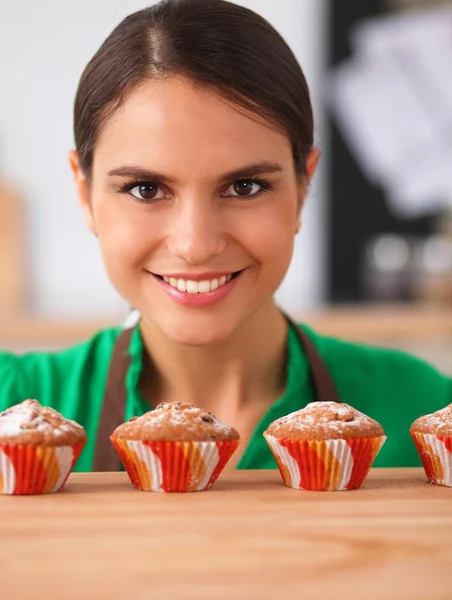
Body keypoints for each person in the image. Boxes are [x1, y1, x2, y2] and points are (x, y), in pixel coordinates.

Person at [1, 0, 450, 472]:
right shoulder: (9, 400)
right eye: (146, 189)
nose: (195, 244)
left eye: (244, 187)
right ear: (84, 192)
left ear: (303, 187)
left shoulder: (425, 407)